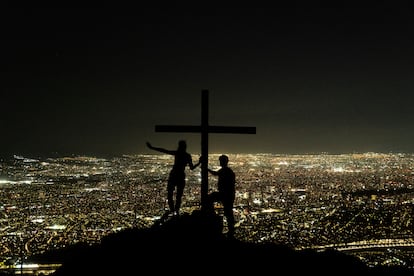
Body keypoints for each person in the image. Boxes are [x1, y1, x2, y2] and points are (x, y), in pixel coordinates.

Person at [146, 140, 201, 215]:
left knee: (170, 193)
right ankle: (176, 211)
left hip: (174, 174)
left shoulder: (177, 153)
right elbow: (192, 168)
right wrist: (199, 163)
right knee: (179, 195)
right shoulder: (187, 156)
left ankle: (172, 210)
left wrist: (152, 148)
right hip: (181, 175)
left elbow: (164, 150)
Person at [207, 154, 236, 237]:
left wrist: (206, 169)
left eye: (221, 161)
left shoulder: (225, 171)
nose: (220, 162)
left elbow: (215, 173)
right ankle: (231, 231)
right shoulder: (228, 171)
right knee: (228, 212)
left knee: (228, 212)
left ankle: (231, 231)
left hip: (225, 194)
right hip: (228, 194)